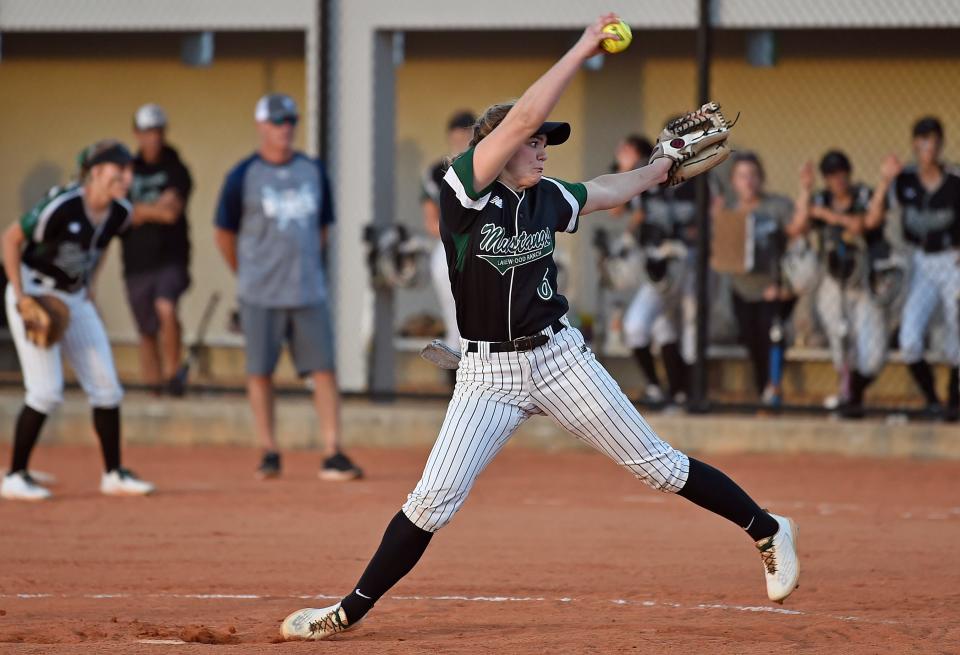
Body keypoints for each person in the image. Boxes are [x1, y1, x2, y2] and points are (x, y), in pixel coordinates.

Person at [279, 15, 799, 641]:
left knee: (657, 467)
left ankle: (768, 529)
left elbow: (607, 190)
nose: (542, 147)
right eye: (533, 142)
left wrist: (657, 169)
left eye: (544, 142)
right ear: (495, 148)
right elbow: (521, 120)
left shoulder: (545, 195)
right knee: (431, 500)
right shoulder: (462, 192)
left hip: (559, 359)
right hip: (486, 376)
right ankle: (345, 613)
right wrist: (583, 47)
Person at [214, 93, 363, 480]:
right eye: (277, 122)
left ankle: (333, 450)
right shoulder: (242, 175)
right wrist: (247, 272)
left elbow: (323, 227)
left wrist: (307, 263)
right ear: (261, 125)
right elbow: (223, 232)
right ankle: (269, 450)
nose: (285, 129)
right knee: (260, 371)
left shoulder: (312, 170)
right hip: (259, 293)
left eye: (290, 121)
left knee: (324, 369)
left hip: (307, 290)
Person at [1, 140, 156, 501]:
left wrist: (91, 287)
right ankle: (15, 475)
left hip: (74, 296)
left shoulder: (119, 212)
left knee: (107, 387)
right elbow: (11, 239)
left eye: (129, 171)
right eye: (120, 170)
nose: (127, 177)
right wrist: (21, 296)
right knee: (45, 391)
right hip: (34, 291)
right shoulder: (62, 205)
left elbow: (100, 249)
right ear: (97, 172)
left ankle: (113, 474)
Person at [865, 117, 960, 421]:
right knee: (909, 340)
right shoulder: (904, 180)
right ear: (914, 145)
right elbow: (872, 220)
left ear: (941, 143)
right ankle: (932, 399)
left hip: (952, 260)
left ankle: (954, 404)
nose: (926, 146)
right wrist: (884, 181)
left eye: (932, 139)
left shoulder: (955, 179)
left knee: (955, 339)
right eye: (920, 140)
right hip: (919, 262)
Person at [790, 151, 886, 417]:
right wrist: (805, 190)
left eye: (841, 173)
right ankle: (849, 399)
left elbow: (863, 223)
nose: (838, 180)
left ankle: (852, 395)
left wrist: (828, 216)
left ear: (849, 173)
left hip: (863, 280)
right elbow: (797, 226)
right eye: (831, 175)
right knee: (839, 342)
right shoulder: (819, 198)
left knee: (874, 354)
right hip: (832, 280)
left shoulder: (863, 195)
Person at [619, 133, 697, 407]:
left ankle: (682, 391)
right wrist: (626, 240)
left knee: (684, 326)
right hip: (654, 265)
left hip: (686, 263)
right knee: (648, 327)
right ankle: (665, 389)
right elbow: (619, 210)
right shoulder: (648, 177)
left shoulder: (698, 179)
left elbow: (712, 219)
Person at [122, 103, 194, 396]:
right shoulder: (127, 170)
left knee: (166, 307)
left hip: (171, 258)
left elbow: (171, 213)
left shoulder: (176, 168)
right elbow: (120, 213)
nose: (153, 137)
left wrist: (140, 211)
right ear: (137, 134)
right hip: (136, 262)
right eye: (147, 132)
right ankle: (154, 389)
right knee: (145, 330)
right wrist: (153, 208)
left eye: (157, 131)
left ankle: (173, 376)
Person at [719, 152, 801, 407]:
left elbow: (797, 232)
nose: (748, 181)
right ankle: (763, 392)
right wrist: (715, 216)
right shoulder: (728, 212)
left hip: (773, 289)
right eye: (742, 176)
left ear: (761, 178)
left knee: (772, 336)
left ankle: (772, 391)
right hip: (742, 290)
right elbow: (722, 254)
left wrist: (806, 191)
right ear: (734, 181)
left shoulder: (776, 206)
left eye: (753, 175)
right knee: (751, 340)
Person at [422, 111, 476, 357]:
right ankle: (456, 354)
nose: (461, 139)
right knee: (453, 308)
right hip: (450, 243)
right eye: (458, 134)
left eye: (467, 133)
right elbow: (431, 221)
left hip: (483, 242)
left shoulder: (485, 165)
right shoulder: (437, 171)